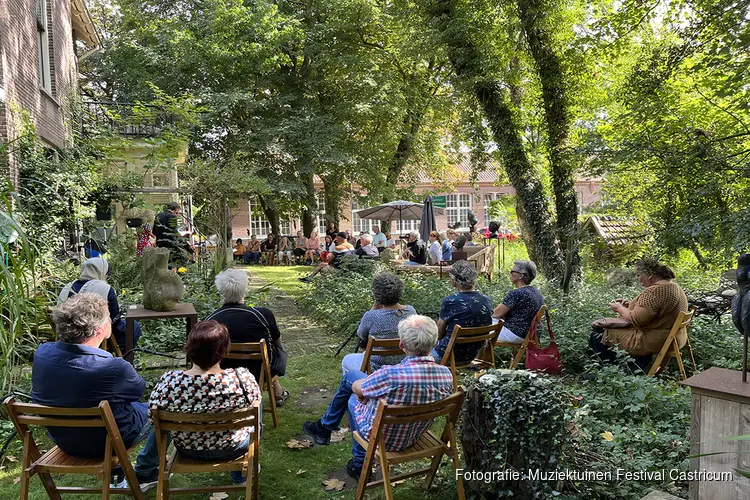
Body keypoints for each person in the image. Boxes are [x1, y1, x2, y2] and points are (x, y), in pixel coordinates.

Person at [32, 294, 160, 490]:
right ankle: (146, 472)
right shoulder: (113, 368)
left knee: (113, 408)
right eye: (109, 317)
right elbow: (138, 390)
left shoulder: (42, 353)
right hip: (107, 441)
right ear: (100, 328)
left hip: (65, 439)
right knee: (160, 407)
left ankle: (117, 477)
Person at [302, 315, 453, 479]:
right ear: (435, 343)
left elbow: (356, 387)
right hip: (413, 435)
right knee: (356, 378)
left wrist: (362, 393)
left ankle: (358, 461)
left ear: (401, 344)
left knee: (352, 392)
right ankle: (326, 428)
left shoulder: (389, 375)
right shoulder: (446, 375)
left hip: (383, 438)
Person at [149, 320, 261, 485]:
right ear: (224, 349)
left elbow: (153, 420)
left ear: (189, 348)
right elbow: (255, 420)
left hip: (188, 449)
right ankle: (241, 476)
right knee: (256, 404)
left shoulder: (170, 382)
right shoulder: (242, 379)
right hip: (234, 448)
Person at [205, 269, 290, 406]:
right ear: (245, 290)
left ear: (220, 291)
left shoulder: (211, 320)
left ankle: (278, 391)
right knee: (275, 345)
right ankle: (278, 392)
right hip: (256, 373)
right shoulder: (262, 314)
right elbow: (277, 341)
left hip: (222, 374)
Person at [589, 258, 689, 370]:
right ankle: (633, 367)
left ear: (650, 274)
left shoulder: (656, 291)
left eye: (638, 275)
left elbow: (635, 319)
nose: (637, 279)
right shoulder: (674, 287)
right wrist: (630, 306)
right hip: (673, 337)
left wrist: (619, 309)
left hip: (653, 340)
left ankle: (606, 370)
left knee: (599, 331)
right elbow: (653, 312)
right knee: (610, 326)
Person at [58, 257, 141, 352]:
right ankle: (123, 358)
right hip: (94, 337)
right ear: (101, 271)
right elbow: (115, 321)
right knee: (134, 326)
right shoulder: (104, 288)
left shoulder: (67, 287)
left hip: (67, 337)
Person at [342, 273, 415, 374]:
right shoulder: (411, 311)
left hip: (377, 367)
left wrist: (372, 310)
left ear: (376, 294)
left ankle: (358, 387)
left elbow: (361, 334)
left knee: (347, 360)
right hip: (403, 364)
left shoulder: (371, 316)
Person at [431, 261, 493, 363]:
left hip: (449, 354)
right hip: (473, 355)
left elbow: (439, 333)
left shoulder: (451, 301)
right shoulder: (486, 300)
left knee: (417, 357)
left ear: (455, 280)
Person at [492, 260, 545, 344]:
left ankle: (477, 356)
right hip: (532, 335)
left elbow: (495, 314)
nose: (510, 273)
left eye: (512, 271)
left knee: (481, 324)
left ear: (521, 275)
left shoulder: (516, 293)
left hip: (516, 334)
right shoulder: (537, 292)